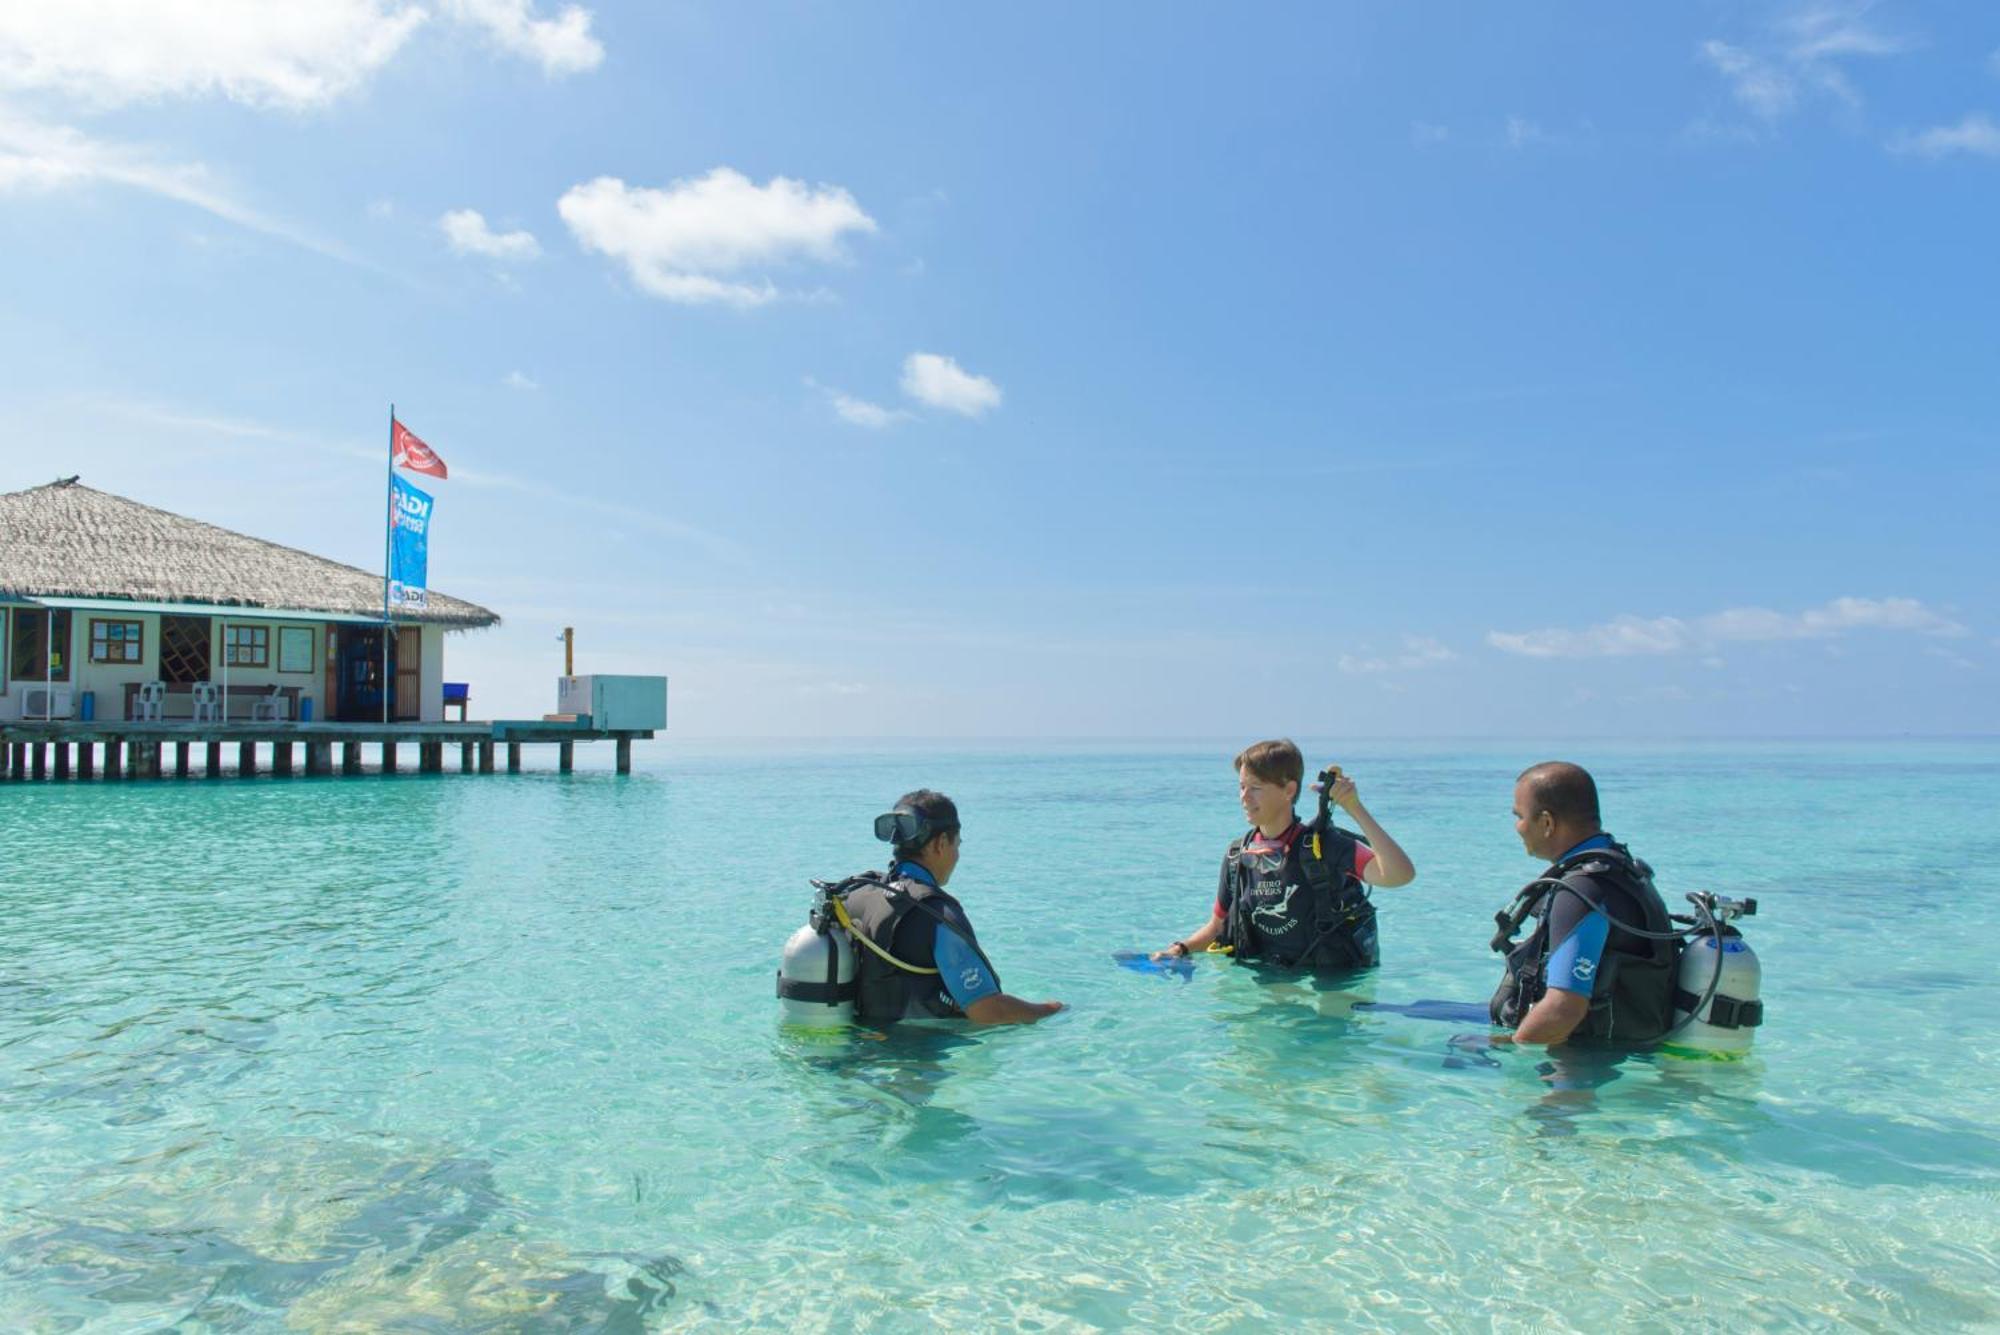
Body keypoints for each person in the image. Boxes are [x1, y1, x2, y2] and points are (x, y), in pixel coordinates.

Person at [1154, 739, 1415, 969]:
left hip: (1331, 985)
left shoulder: (1324, 846)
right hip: (1271, 982)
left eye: (1255, 787)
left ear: (1289, 790)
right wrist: (1180, 949)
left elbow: (1399, 875)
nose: (1244, 797)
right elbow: (1218, 926)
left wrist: (1354, 808)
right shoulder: (1237, 855)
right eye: (1241, 787)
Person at [1487, 761, 1679, 1046]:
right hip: (1625, 1051)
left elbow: (1563, 1009)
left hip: (1587, 1065)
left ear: (1547, 823)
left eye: (1520, 816)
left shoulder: (1580, 891)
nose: (1517, 827)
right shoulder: (1622, 869)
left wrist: (1509, 1051)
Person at [839, 789, 1064, 1026]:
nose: (956, 854)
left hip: (860, 1050)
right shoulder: (936, 915)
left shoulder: (855, 895)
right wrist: (1050, 1010)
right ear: (941, 843)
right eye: (957, 844)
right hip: (917, 1058)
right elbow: (988, 1012)